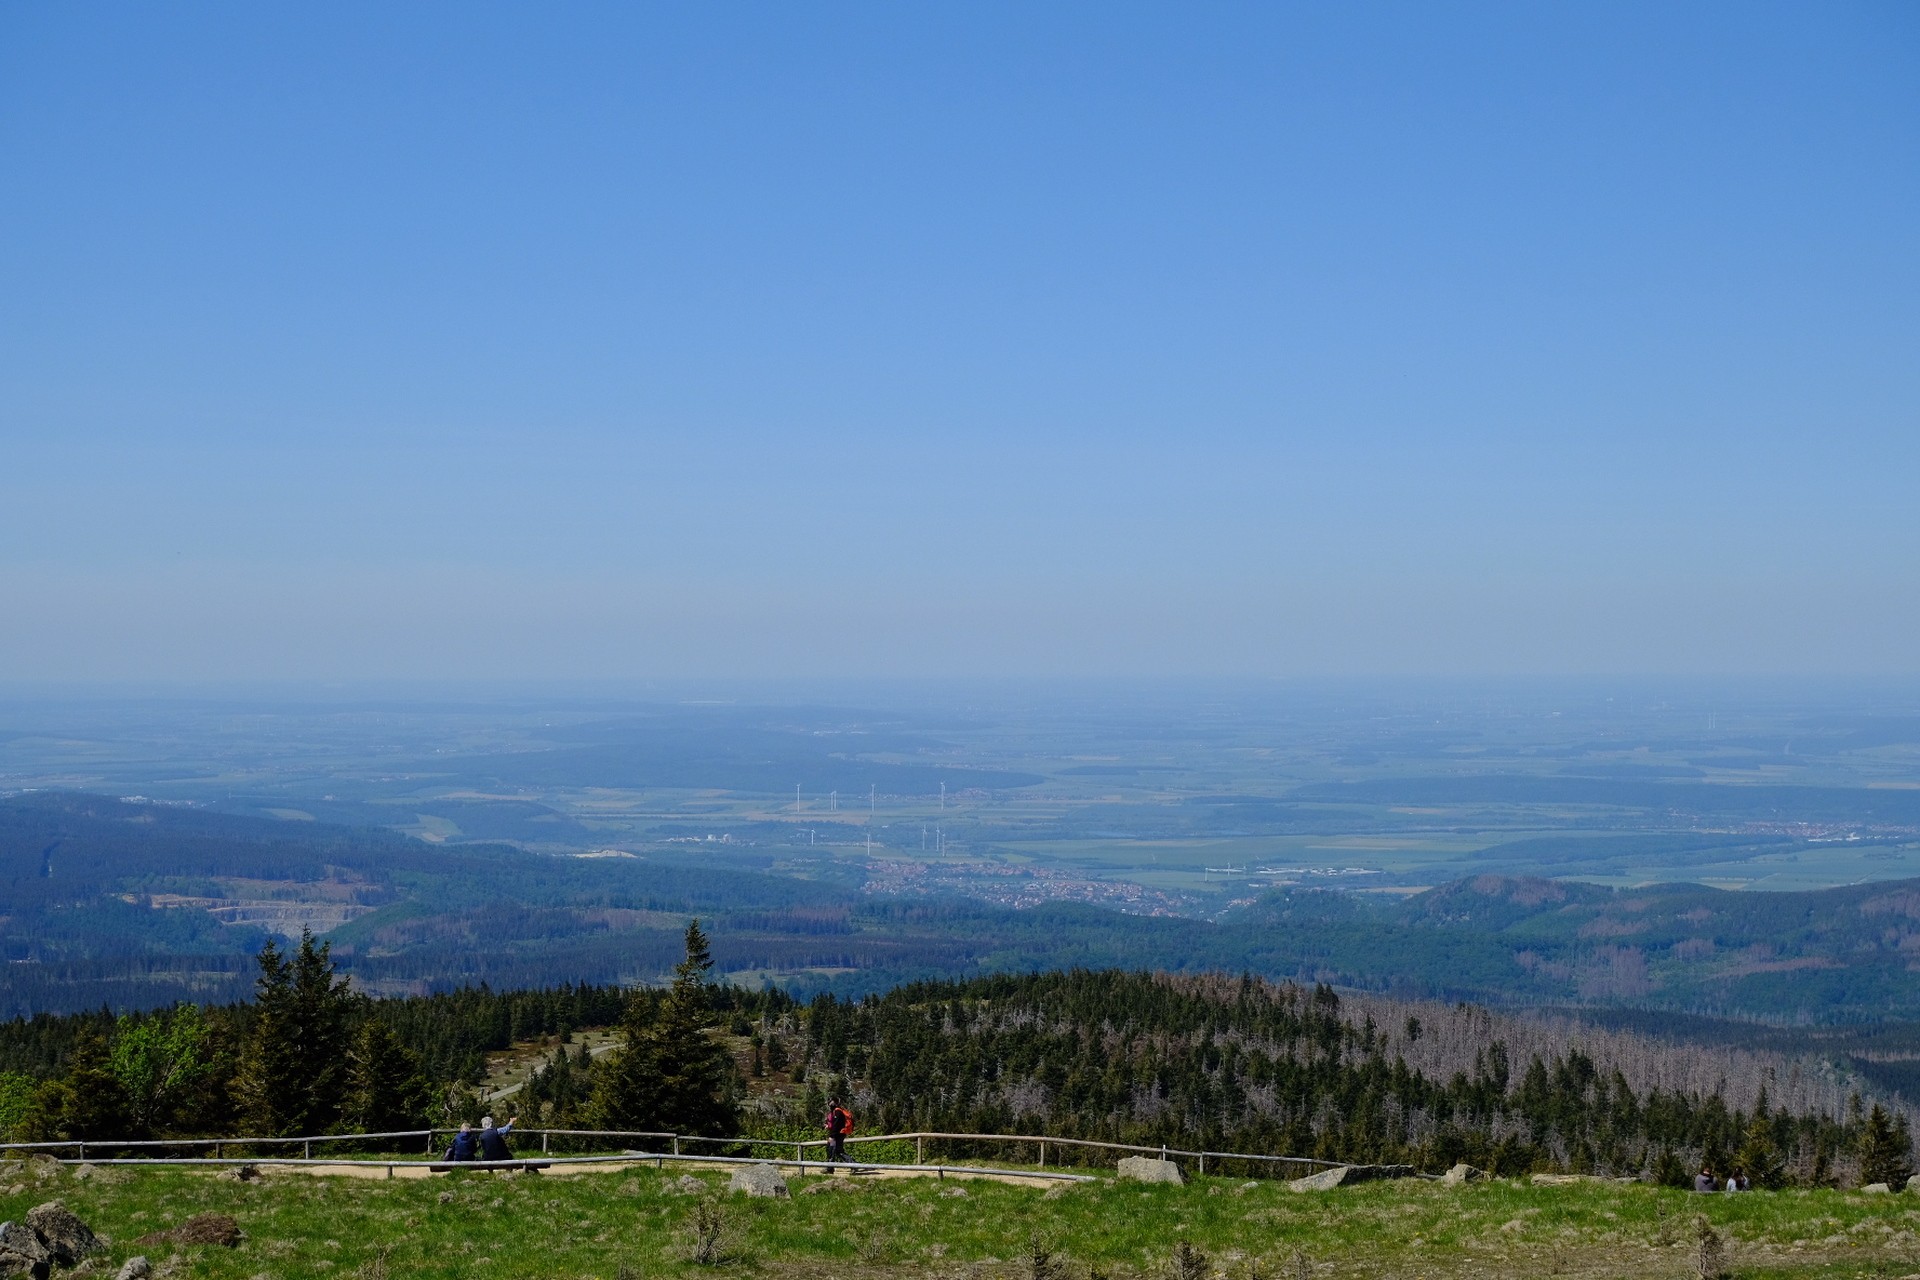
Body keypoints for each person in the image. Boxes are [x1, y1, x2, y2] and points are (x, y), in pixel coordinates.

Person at [823, 1098, 852, 1163]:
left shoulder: (837, 1112)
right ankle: (830, 1167)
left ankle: (853, 1165)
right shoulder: (837, 1111)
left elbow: (836, 1125)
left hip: (837, 1135)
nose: (830, 1104)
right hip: (839, 1134)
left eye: (831, 1102)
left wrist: (832, 1136)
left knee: (833, 1150)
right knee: (834, 1151)